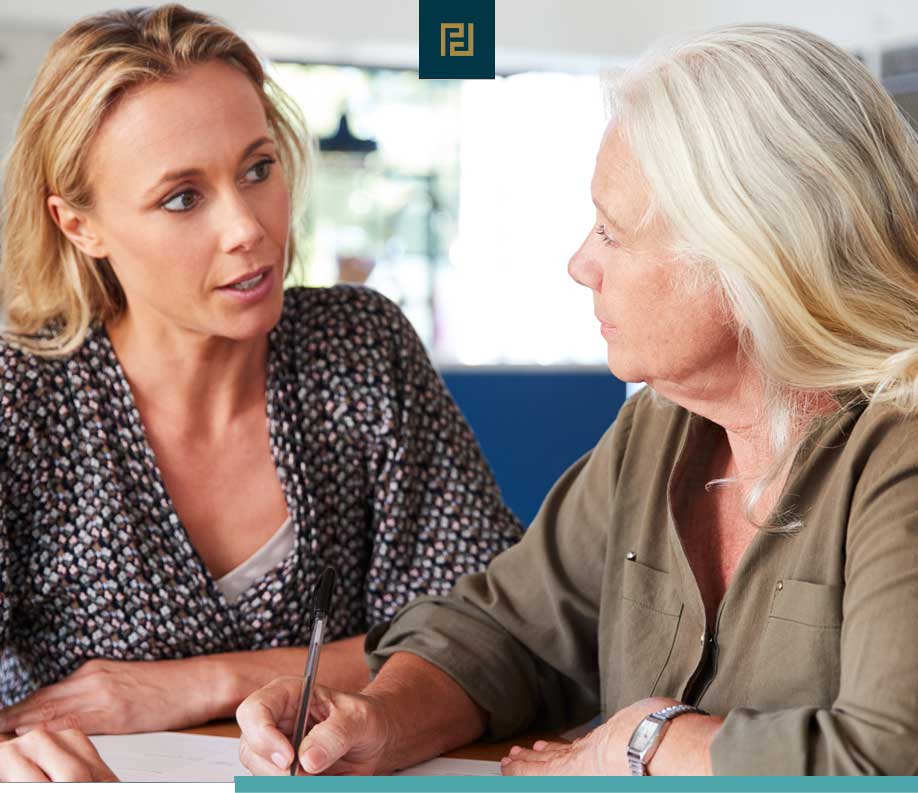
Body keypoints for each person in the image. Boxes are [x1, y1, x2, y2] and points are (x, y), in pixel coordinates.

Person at [238, 23, 918, 776]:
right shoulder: (659, 426)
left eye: (613, 232)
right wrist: (383, 714)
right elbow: (510, 633)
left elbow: (890, 758)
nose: (580, 263)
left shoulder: (902, 443)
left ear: (752, 252)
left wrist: (647, 738)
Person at [0, 4, 523, 782]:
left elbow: (498, 629)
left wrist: (198, 683)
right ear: (80, 225)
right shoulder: (22, 398)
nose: (248, 226)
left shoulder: (359, 348)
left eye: (258, 168)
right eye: (183, 197)